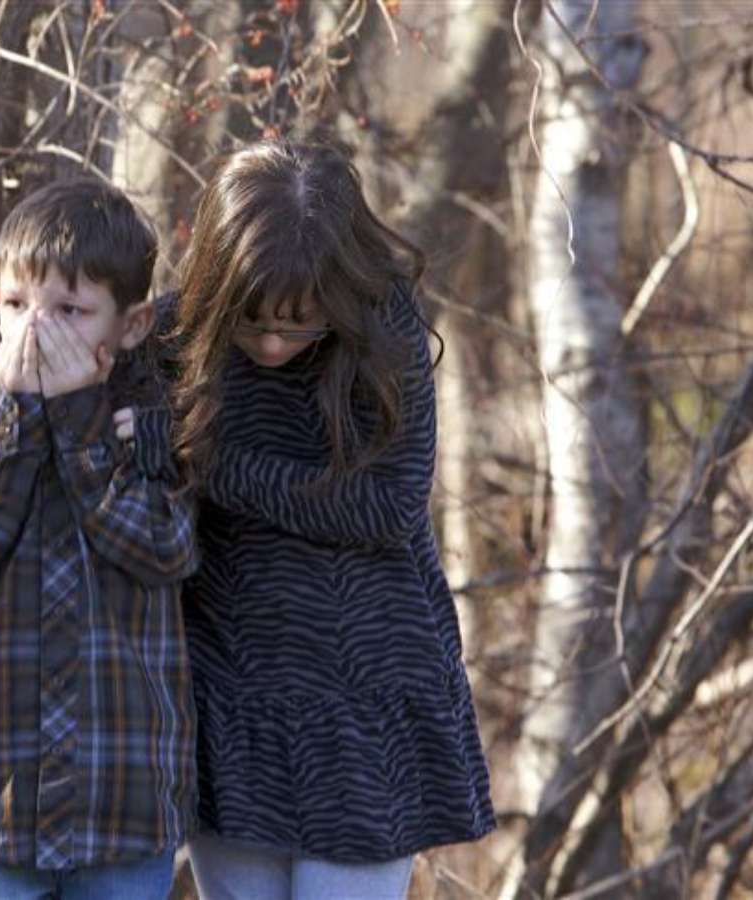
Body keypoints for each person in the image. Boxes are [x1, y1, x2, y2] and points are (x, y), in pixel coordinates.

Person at [127, 139, 496, 899]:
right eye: (250, 322)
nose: (271, 343)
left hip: (366, 702)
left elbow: (386, 504)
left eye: (298, 324)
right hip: (232, 704)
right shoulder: (170, 340)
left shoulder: (382, 330)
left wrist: (205, 461)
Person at [0, 177, 198, 900]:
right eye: (18, 306)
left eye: (70, 312)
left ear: (132, 325)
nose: (36, 330)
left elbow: (166, 548)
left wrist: (84, 423)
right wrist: (19, 420)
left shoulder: (154, 421)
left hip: (120, 798)